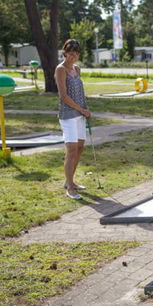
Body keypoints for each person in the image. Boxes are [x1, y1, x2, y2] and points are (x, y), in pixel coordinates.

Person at [55, 39, 91, 200]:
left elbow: (80, 91)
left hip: (80, 114)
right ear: (65, 53)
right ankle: (70, 188)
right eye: (70, 54)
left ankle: (71, 181)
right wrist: (80, 109)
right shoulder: (60, 69)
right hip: (68, 115)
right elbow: (63, 96)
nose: (73, 57)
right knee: (71, 150)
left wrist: (85, 109)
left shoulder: (77, 68)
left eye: (76, 54)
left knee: (80, 148)